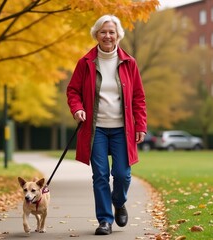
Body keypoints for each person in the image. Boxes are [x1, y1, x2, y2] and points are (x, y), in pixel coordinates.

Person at [66, 14, 147, 235]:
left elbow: (138, 97)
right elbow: (73, 90)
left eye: (111, 32)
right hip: (96, 130)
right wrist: (77, 108)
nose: (107, 36)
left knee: (122, 174)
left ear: (118, 35)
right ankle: (104, 220)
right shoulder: (85, 62)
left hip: (122, 129)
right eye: (103, 32)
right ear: (96, 35)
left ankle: (119, 202)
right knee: (100, 175)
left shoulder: (129, 63)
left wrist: (140, 125)